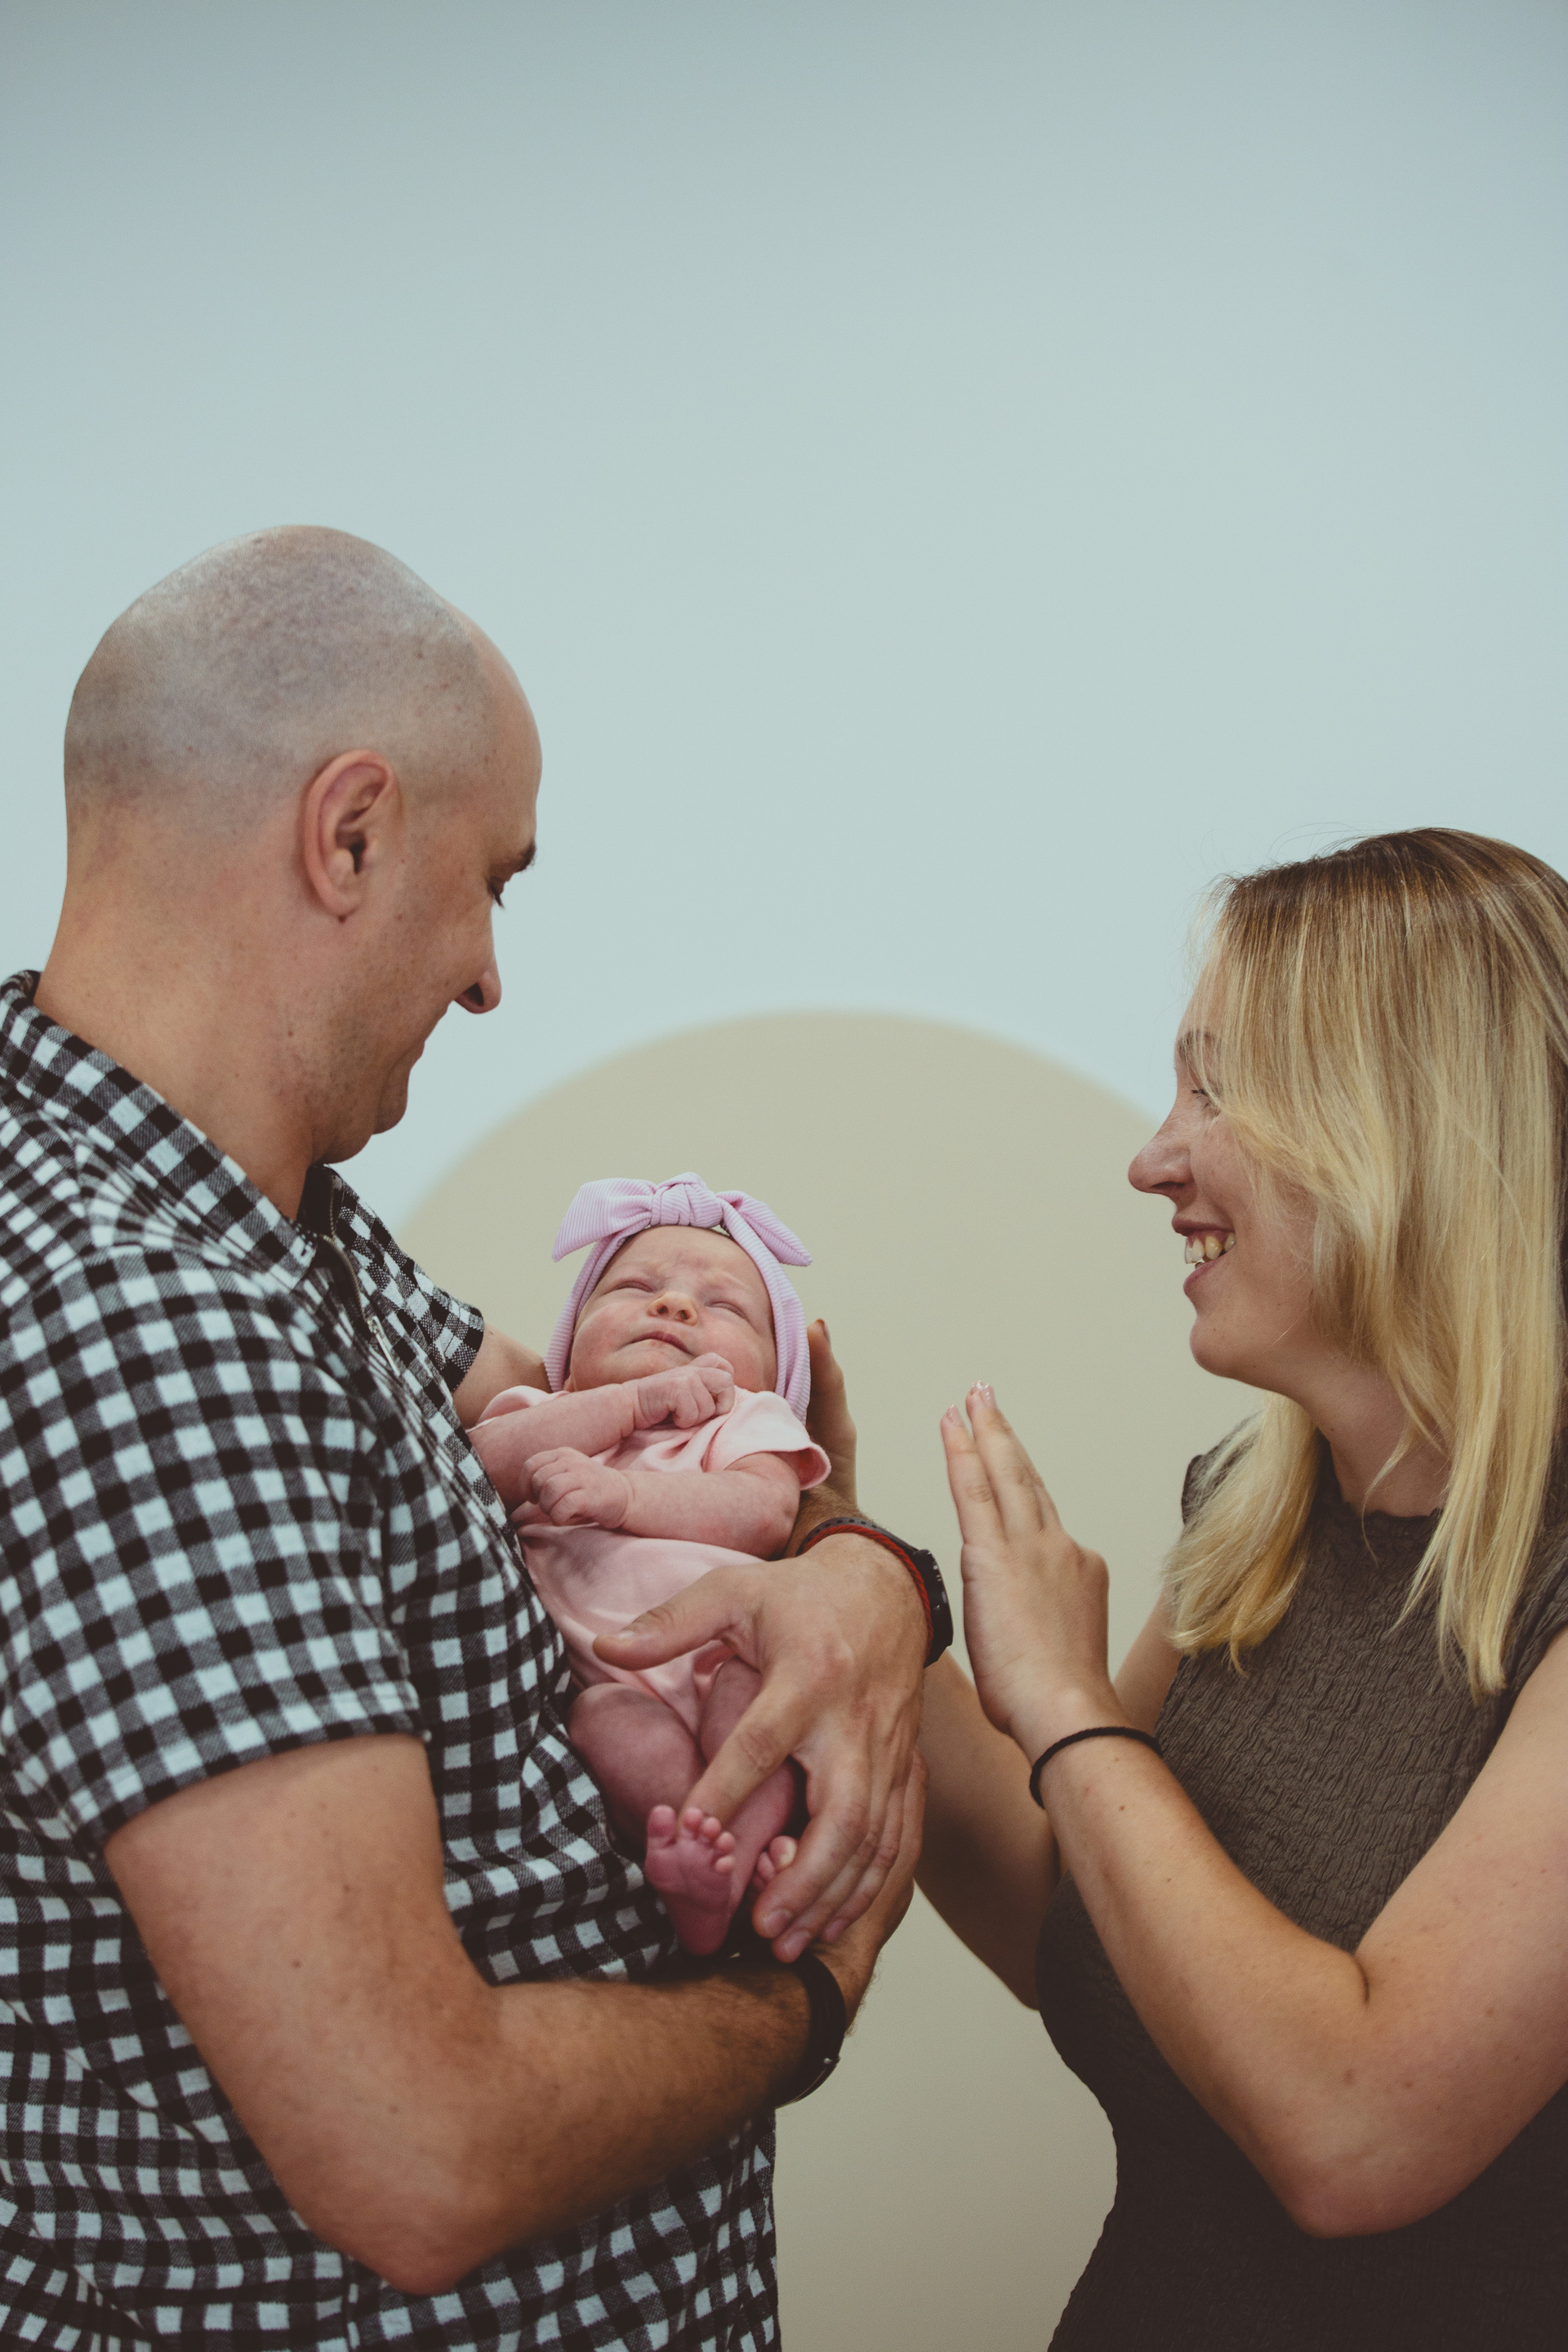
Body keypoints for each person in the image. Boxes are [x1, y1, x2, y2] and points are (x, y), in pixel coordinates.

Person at [0, 526, 932, 2351]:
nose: (492, 975)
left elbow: (612, 1410)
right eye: (491, 881)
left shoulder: (258, 1221)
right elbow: (420, 2153)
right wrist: (808, 1997)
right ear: (349, 835)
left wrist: (866, 1576)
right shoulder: (141, 1321)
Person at [916, 830, 1568, 2350]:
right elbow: (1074, 1914)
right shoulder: (1259, 1514)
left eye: (1216, 1091)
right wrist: (830, 1557)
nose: (1155, 1159)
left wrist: (1066, 1705)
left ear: (1404, 1129)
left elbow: (1356, 2132)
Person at [471, 1172, 832, 1952]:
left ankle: (737, 1859)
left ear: (776, 1378)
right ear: (570, 1353)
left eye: (726, 1307)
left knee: (760, 1705)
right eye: (634, 1288)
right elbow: (472, 1470)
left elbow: (765, 1511)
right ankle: (708, 1873)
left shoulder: (745, 1419)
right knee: (604, 1727)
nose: (673, 1306)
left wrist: (624, 1496)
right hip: (616, 1684)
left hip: (727, 1655)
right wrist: (626, 1406)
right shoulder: (549, 1413)